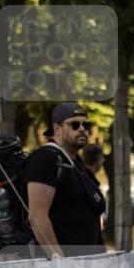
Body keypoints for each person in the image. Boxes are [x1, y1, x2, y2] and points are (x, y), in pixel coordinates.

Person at [24, 102, 106, 257]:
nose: (82, 129)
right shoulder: (45, 159)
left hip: (86, 265)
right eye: (75, 125)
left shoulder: (74, 162)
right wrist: (59, 260)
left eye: (86, 125)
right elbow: (37, 216)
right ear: (57, 129)